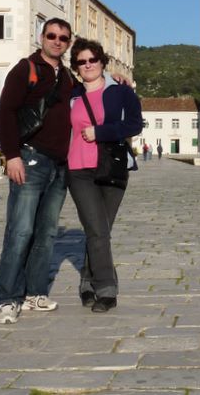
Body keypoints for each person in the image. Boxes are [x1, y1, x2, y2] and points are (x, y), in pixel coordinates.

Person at [0, 18, 75, 325]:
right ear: (42, 37)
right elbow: (5, 112)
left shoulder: (68, 76)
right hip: (30, 158)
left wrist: (114, 79)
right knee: (20, 230)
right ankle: (7, 298)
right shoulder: (25, 69)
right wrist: (12, 155)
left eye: (63, 38)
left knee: (46, 233)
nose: (57, 41)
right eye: (52, 35)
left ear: (68, 43)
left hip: (59, 165)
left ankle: (35, 293)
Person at [66, 38, 142, 313]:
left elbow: (135, 124)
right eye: (81, 62)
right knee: (97, 229)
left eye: (92, 60)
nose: (88, 65)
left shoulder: (120, 91)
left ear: (102, 62)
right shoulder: (71, 95)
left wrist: (100, 132)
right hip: (78, 170)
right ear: (76, 67)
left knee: (100, 231)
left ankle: (87, 282)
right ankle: (107, 290)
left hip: (112, 167)